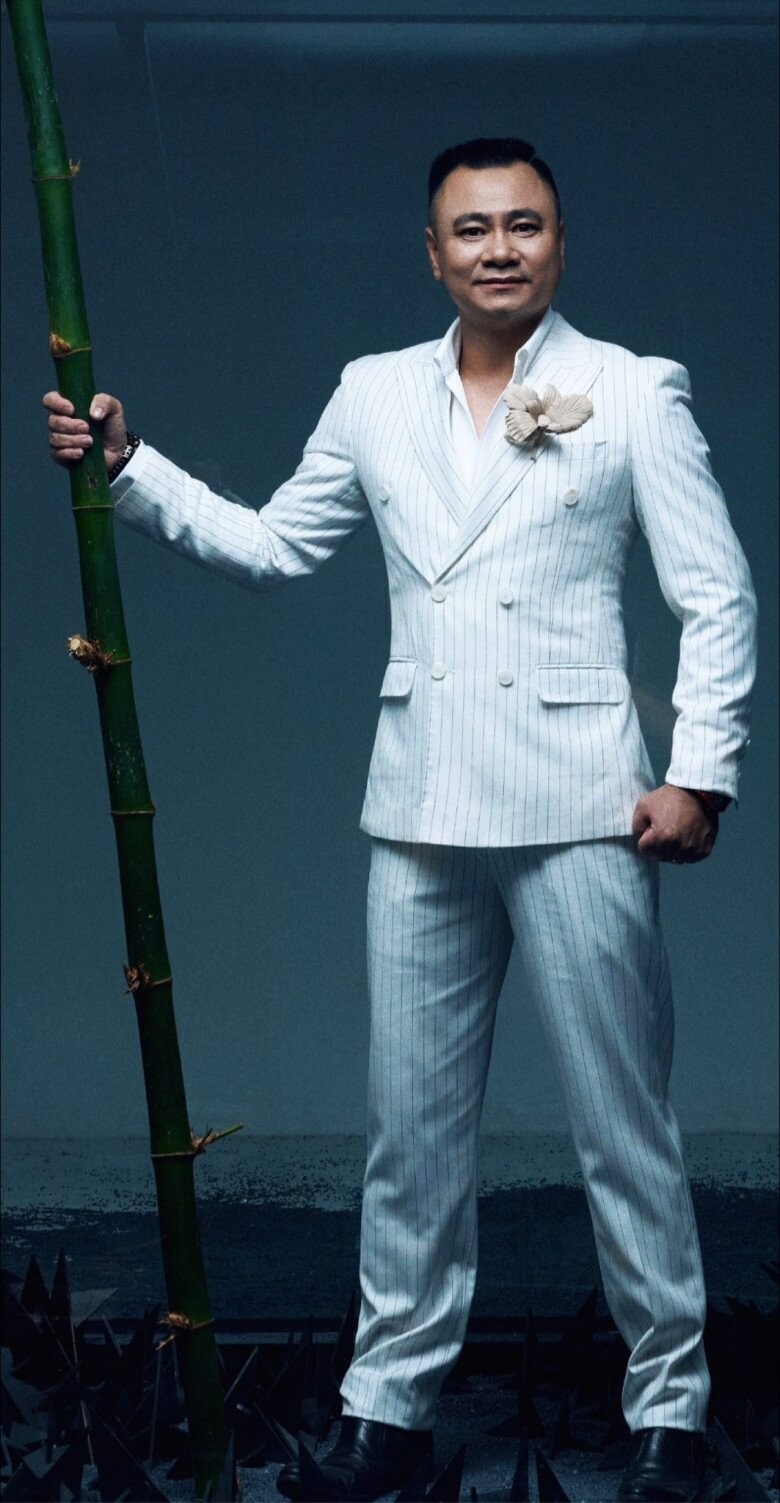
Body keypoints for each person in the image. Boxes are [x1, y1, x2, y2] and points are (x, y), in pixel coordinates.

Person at [43, 136, 757, 1503]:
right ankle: (388, 1409)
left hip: (584, 804)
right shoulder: (373, 392)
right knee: (410, 1135)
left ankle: (671, 1413)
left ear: (561, 243)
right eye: (472, 229)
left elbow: (715, 596)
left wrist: (700, 773)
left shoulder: (631, 388)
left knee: (624, 1128)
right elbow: (277, 547)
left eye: (525, 225)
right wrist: (130, 470)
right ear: (432, 255)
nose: (500, 248)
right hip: (422, 804)